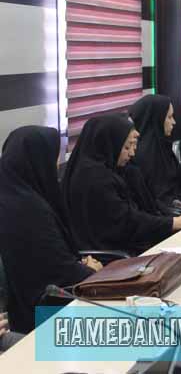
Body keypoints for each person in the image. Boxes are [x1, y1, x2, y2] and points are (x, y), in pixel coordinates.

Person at [0, 126, 100, 333]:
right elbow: (58, 271)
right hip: (43, 316)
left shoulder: (13, 195)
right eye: (54, 157)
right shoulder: (27, 210)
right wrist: (94, 273)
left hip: (31, 308)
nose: (57, 164)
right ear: (37, 160)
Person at [62, 115, 181, 256]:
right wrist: (174, 222)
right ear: (109, 144)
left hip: (122, 245)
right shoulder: (96, 178)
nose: (132, 153)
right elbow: (127, 222)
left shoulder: (108, 170)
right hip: (111, 254)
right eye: (127, 147)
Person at [129, 95, 181, 210]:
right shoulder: (141, 156)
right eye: (169, 117)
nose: (174, 122)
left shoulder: (162, 147)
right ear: (156, 119)